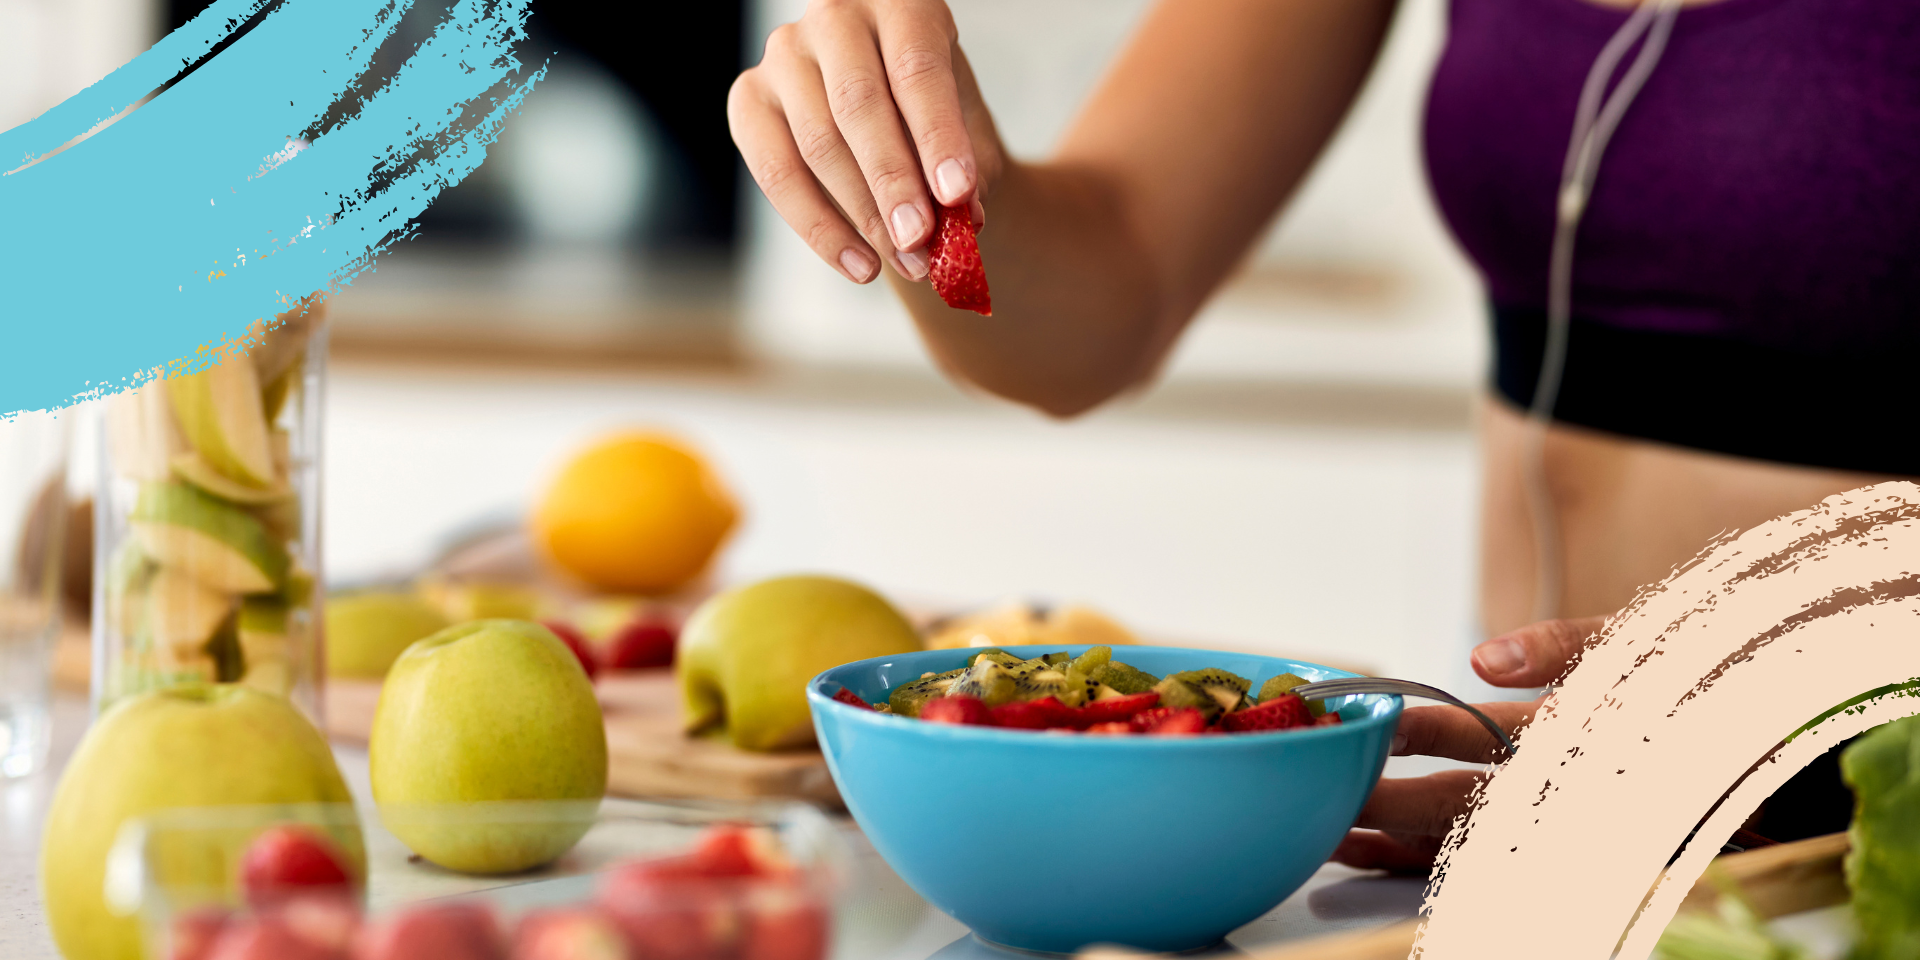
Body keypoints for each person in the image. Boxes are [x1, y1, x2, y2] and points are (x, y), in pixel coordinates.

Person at [728, 0, 1917, 868]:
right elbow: (1094, 311)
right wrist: (933, 177)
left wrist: (1794, 694)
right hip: (1544, 801)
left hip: (1866, 802)